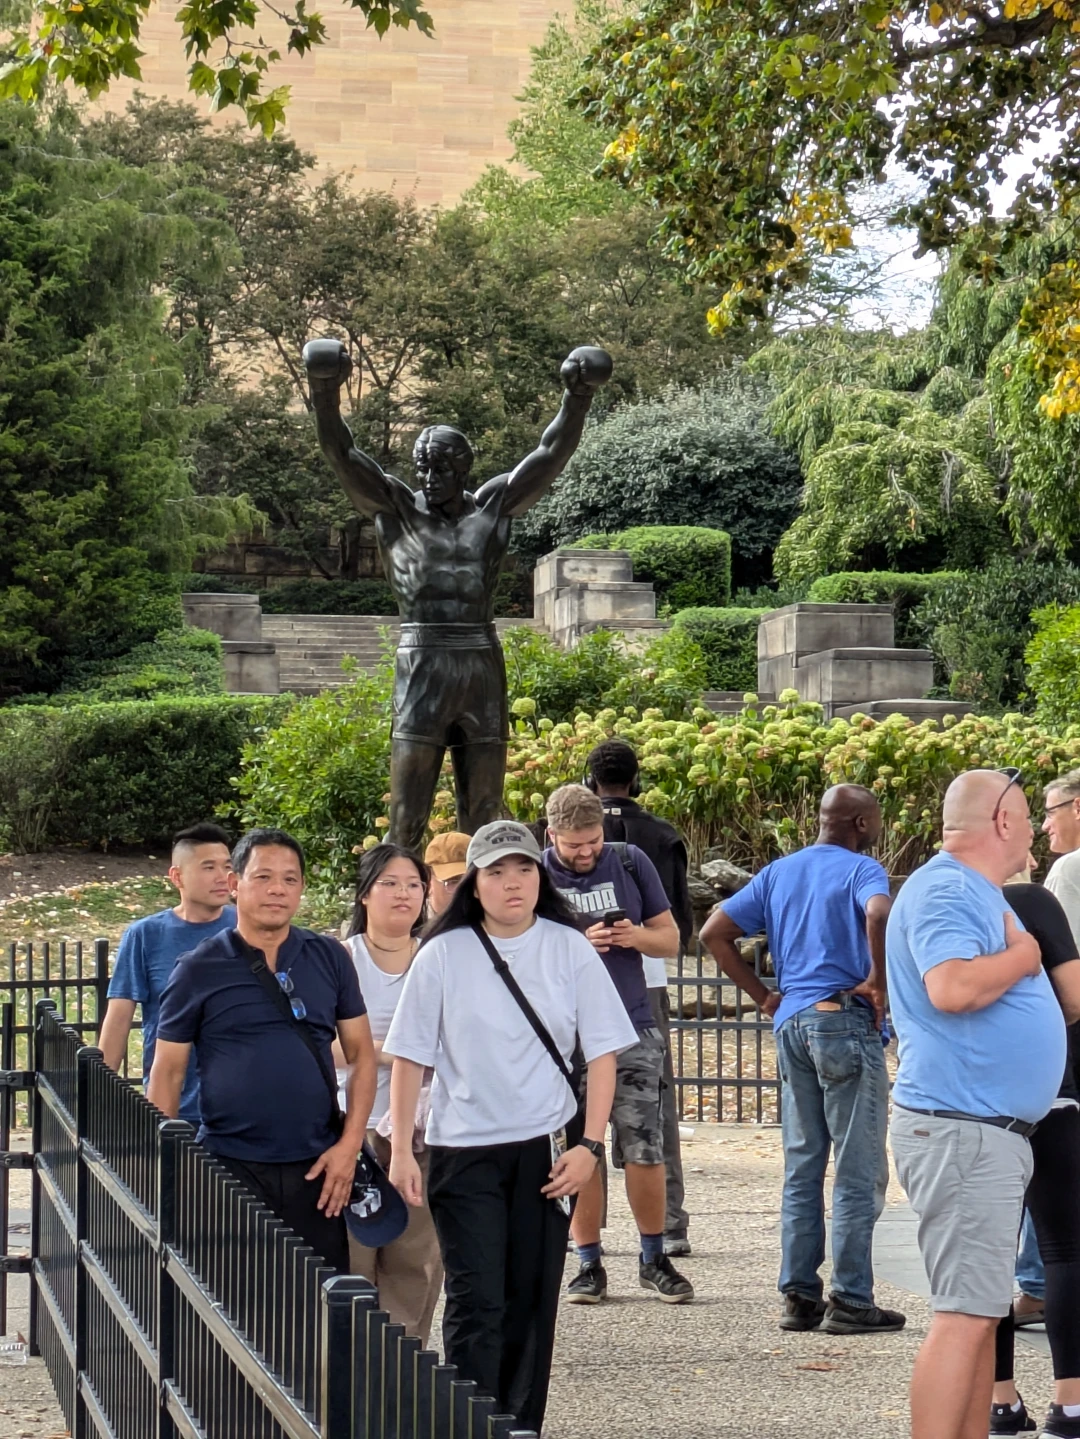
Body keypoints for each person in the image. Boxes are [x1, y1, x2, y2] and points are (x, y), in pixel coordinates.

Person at [303, 336, 611, 851]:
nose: (428, 477)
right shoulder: (396, 509)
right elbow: (341, 451)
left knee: (485, 813)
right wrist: (324, 390)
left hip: (478, 661)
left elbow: (550, 452)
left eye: (440, 468)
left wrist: (577, 396)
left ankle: (479, 916)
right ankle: (382, 917)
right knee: (405, 817)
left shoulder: (493, 509)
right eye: (422, 467)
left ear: (463, 467)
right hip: (422, 659)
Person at [383, 820, 636, 1434]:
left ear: (539, 874)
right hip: (461, 1149)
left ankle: (520, 1425)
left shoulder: (568, 945)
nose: (511, 882)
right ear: (473, 884)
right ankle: (470, 1424)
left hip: (545, 1151)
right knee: (476, 1303)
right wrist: (400, 1151)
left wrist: (591, 1146)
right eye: (495, 871)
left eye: (522, 868)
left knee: (531, 1299)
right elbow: (410, 1056)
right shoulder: (443, 952)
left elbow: (603, 1054)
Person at [887, 769, 1066, 1439]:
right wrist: (1024, 959)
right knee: (964, 1318)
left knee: (978, 1314)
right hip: (966, 1130)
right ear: (1001, 823)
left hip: (983, 1130)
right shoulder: (948, 886)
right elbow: (953, 987)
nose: (1034, 832)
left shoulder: (965, 888)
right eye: (1025, 817)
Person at [701, 785, 903, 1335]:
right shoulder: (863, 870)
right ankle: (853, 1298)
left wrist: (764, 997)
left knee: (803, 1164)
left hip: (791, 1021)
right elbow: (880, 914)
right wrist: (880, 982)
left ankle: (799, 1294)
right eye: (877, 819)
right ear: (861, 823)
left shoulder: (778, 872)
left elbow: (713, 932)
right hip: (842, 1018)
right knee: (858, 1170)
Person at [147, 828, 377, 1275]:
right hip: (229, 1166)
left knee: (316, 1307)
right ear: (235, 884)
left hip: (319, 1166)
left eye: (290, 879)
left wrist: (349, 1147)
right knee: (234, 1311)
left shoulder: (329, 957)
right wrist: (169, 1166)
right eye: (264, 877)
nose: (277, 889)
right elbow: (168, 1072)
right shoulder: (198, 969)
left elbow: (361, 1055)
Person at [541, 783, 693, 1304]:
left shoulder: (629, 863)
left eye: (592, 843)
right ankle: (588, 1261)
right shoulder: (535, 875)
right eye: (573, 846)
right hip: (565, 1036)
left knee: (644, 1147)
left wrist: (632, 937)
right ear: (551, 836)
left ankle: (654, 1255)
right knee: (581, 1149)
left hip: (630, 1023)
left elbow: (671, 938)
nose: (585, 854)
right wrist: (580, 945)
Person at [586, 737, 693, 1256]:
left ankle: (586, 1232)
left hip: (583, 985)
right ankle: (669, 1221)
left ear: (589, 781)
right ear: (637, 780)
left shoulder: (561, 840)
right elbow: (681, 925)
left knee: (580, 1110)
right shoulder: (661, 835)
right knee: (653, 1106)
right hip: (645, 981)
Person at [339, 843, 442, 1345]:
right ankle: (348, 1376)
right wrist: (394, 1054)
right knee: (349, 1264)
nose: (404, 894)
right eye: (390, 883)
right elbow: (321, 1046)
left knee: (415, 1264)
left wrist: (375, 1051)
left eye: (414, 884)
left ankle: (400, 1377)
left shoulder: (440, 956)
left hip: (421, 1131)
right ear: (364, 894)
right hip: (349, 1133)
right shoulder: (339, 957)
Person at [990, 862, 1080, 1439]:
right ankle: (1069, 1404)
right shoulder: (1032, 901)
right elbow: (1074, 1000)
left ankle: (1000, 1400)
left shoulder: (925, 911)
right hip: (1052, 1090)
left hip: (973, 1102)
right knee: (1066, 1247)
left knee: (987, 1256)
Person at [98, 823, 235, 1122]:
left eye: (227, 866)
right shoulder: (145, 935)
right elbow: (120, 1017)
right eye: (208, 867)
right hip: (173, 1106)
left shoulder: (248, 927)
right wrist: (99, 1094)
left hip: (240, 1109)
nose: (222, 877)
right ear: (177, 876)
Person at [1045, 770, 1080, 945]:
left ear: (1077, 808)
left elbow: (1059, 953)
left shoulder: (1069, 867)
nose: (1045, 826)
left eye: (1050, 813)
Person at [424, 831, 470, 917]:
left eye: (471, 881)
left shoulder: (495, 924)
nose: (464, 890)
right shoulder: (409, 924)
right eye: (454, 881)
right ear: (428, 881)